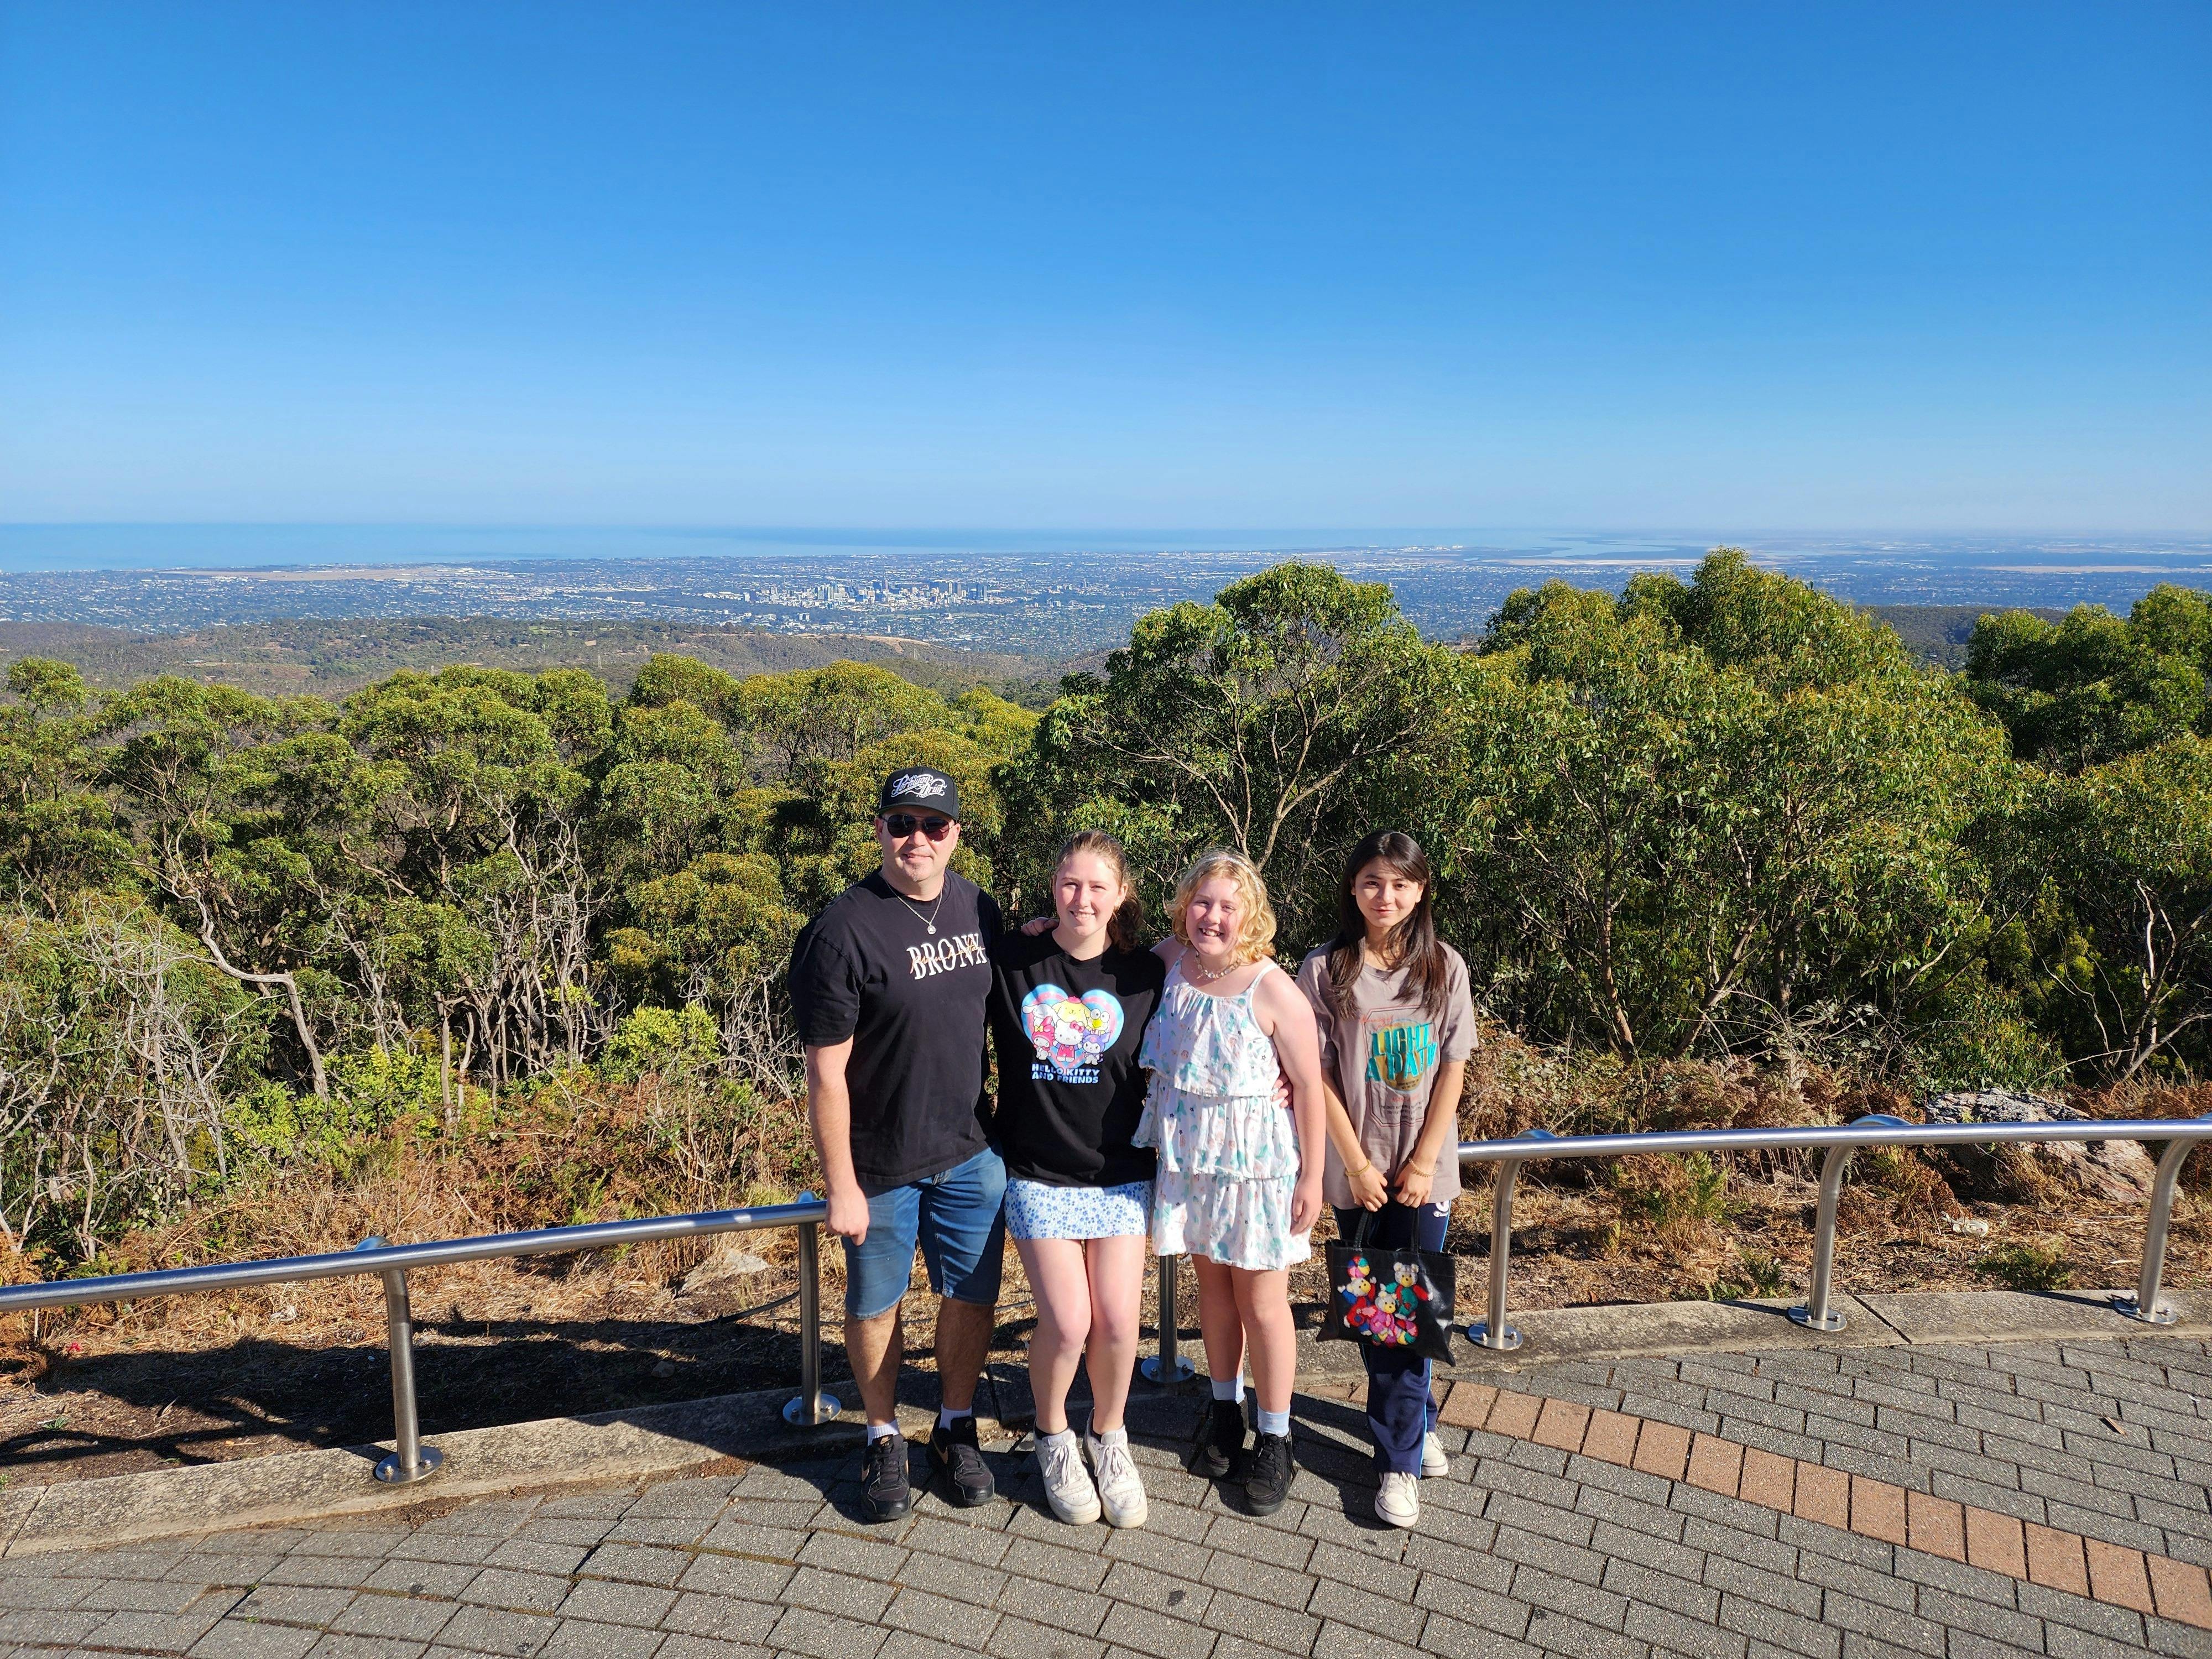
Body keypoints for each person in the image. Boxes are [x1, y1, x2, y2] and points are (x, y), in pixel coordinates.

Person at [789, 766, 1005, 1523]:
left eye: (934, 825)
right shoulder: (841, 931)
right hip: (880, 1166)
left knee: (970, 1298)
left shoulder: (981, 907)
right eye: (902, 823)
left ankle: (953, 1423)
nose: (918, 838)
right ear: (878, 830)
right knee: (876, 1305)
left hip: (972, 1151)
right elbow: (826, 1076)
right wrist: (841, 1181)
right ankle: (883, 1435)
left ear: (956, 836)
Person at [1134, 848, 1326, 1517]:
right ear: (1185, 905)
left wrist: (1315, 1178)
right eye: (1202, 902)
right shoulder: (1168, 963)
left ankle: (1277, 1436)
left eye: (1227, 906)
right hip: (1190, 1160)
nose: (1212, 916)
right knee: (1210, 1290)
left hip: (1257, 1168)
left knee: (1263, 1304)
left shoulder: (1270, 987)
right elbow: (1098, 954)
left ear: (1250, 916)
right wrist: (1044, 929)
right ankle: (1224, 1410)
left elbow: (1308, 1086)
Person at [1295, 830, 1475, 1530]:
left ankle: (1401, 1452)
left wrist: (1425, 1161)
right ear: (1352, 887)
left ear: (1421, 889)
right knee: (1385, 1310)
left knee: (1411, 1309)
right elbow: (1317, 1075)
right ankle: (1409, 1436)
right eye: (1372, 881)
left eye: (1400, 883)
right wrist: (1360, 1164)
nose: (1386, 896)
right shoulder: (1327, 968)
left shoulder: (1443, 967)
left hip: (1425, 1169)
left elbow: (1454, 1067)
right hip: (1361, 1170)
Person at [987, 831, 1165, 1527]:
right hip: (1037, 1171)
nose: (1081, 899)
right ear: (1051, 889)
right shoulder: (1013, 959)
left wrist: (1282, 1087)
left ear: (1121, 895)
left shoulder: (1149, 973)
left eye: (1097, 887)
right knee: (1067, 1322)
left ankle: (1110, 1436)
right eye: (1069, 885)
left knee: (1119, 1322)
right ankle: (1054, 1434)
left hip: (1120, 1174)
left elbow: (1231, 982)